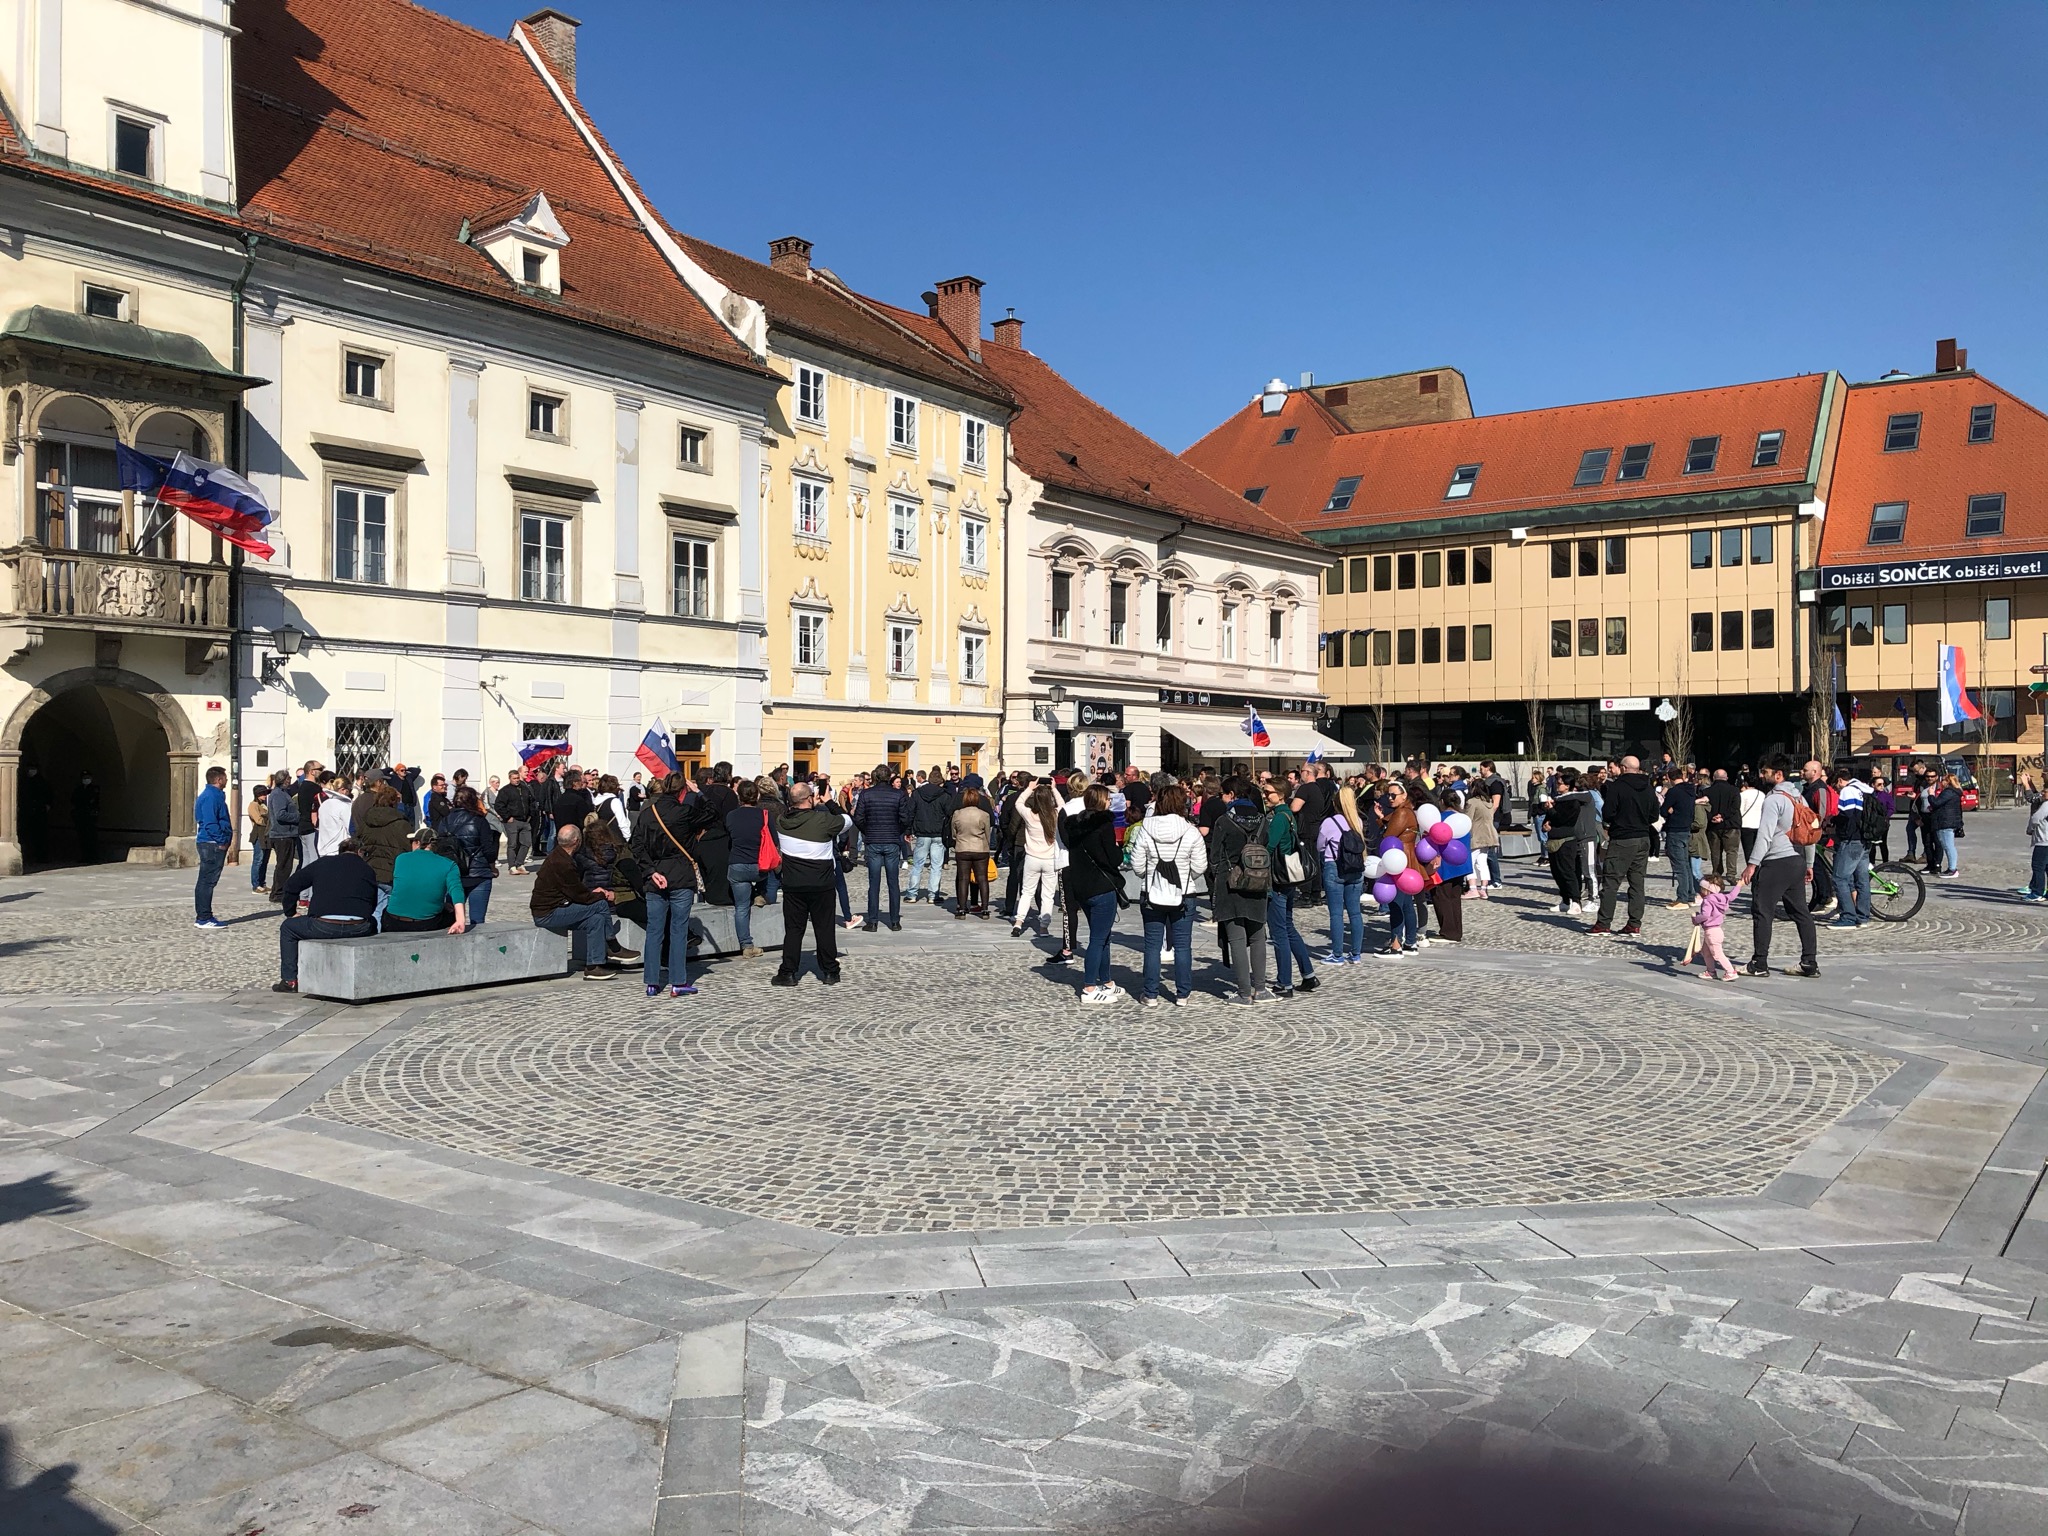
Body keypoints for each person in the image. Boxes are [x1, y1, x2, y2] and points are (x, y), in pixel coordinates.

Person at [1127, 784, 1206, 1007]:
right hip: (1184, 892)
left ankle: (1151, 994)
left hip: (1152, 892)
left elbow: (1137, 863)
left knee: (1152, 945)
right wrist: (1186, 875)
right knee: (1182, 945)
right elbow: (1200, 864)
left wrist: (1148, 875)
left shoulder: (1146, 828)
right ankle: (1182, 994)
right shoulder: (1190, 830)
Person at [1743, 755, 1820, 979]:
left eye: (1765, 772)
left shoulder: (1773, 800)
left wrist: (1752, 864)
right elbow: (1810, 833)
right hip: (1796, 860)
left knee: (1762, 911)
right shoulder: (1799, 798)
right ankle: (1809, 962)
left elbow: (1765, 836)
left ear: (1778, 775)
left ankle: (1759, 963)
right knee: (1801, 912)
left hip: (1775, 862)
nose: (1761, 776)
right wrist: (1808, 863)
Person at [629, 772, 702, 997]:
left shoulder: (647, 813)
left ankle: (652, 982)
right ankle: (677, 982)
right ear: (682, 791)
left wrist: (650, 871)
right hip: (680, 874)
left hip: (655, 876)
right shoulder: (685, 813)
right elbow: (713, 815)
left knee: (654, 930)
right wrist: (699, 793)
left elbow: (635, 845)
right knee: (678, 930)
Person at [273, 837, 378, 993]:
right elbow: (372, 902)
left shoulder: (324, 863)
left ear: (340, 851)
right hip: (358, 926)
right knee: (374, 922)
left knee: (288, 928)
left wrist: (291, 912)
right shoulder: (367, 869)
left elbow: (291, 884)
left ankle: (290, 980)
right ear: (360, 852)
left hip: (323, 924)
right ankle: (370, 974)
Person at [770, 782, 847, 986]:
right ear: (810, 798)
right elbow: (847, 821)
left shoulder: (781, 821)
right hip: (822, 883)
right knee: (824, 928)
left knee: (794, 930)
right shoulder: (823, 820)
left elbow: (792, 812)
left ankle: (788, 972)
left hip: (794, 884)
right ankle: (830, 971)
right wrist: (829, 802)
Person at [531, 824, 627, 980]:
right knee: (601, 904)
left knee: (596, 919)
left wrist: (590, 894)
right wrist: (599, 895)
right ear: (576, 841)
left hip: (557, 907)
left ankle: (593, 966)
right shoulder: (562, 863)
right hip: (548, 913)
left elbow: (576, 892)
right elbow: (579, 895)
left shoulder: (559, 856)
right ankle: (612, 945)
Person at [1208, 776, 1273, 1001]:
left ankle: (1244, 993)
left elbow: (1214, 857)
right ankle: (1261, 989)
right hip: (1259, 881)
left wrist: (1219, 877)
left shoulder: (1224, 821)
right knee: (1257, 937)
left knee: (1236, 939)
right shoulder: (1263, 820)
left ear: (1232, 795)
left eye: (1224, 794)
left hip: (1231, 882)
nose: (1222, 799)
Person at [1063, 783, 1123, 1002]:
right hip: (1101, 887)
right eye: (1107, 799)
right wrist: (1117, 848)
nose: (1110, 802)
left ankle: (1106, 982)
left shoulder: (1074, 826)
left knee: (1103, 936)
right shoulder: (1103, 826)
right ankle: (1089, 987)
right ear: (1100, 801)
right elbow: (1113, 859)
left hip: (1081, 886)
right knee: (1098, 939)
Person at [1260, 780, 1318, 997]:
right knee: (1288, 927)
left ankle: (1285, 983)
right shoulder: (1288, 815)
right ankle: (1308, 975)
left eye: (1268, 793)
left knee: (1279, 933)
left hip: (1277, 879)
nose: (1265, 796)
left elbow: (1268, 847)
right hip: (1289, 877)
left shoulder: (1278, 819)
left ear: (1281, 795)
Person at [1590, 755, 1659, 936]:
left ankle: (1603, 924)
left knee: (1611, 882)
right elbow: (1654, 816)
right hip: (1643, 838)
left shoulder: (1617, 786)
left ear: (1622, 767)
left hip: (1622, 839)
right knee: (1637, 883)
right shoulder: (1648, 787)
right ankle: (1634, 924)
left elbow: (1608, 813)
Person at [852, 765, 909, 931]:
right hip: (891, 839)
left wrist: (867, 831)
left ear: (875, 777)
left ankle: (873, 921)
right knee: (893, 883)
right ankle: (895, 921)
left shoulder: (866, 794)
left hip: (874, 840)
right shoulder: (898, 794)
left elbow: (858, 817)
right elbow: (905, 818)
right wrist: (897, 831)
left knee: (874, 883)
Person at [1317, 784, 1369, 963]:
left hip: (1334, 867)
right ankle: (1356, 954)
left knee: (1336, 913)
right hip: (1355, 868)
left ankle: (1337, 954)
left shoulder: (1329, 823)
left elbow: (1320, 846)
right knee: (1355, 913)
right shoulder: (1357, 821)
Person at [381, 828, 470, 933]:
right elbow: (457, 891)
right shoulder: (449, 865)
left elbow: (409, 887)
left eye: (412, 841)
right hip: (426, 922)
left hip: (394, 920)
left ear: (418, 843)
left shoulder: (401, 859)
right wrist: (460, 920)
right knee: (449, 914)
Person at [725, 779, 773, 956]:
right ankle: (760, 893)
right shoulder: (764, 815)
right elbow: (773, 841)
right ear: (757, 796)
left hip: (737, 864)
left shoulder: (731, 816)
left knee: (741, 907)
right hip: (758, 866)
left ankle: (746, 946)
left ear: (739, 796)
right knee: (768, 871)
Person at [441, 785, 500, 924]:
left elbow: (440, 849)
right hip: (478, 873)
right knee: (477, 920)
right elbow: (489, 850)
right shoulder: (479, 821)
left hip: (453, 873)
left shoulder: (444, 822)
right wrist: (492, 866)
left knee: (450, 918)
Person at [353, 781, 409, 921]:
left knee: (377, 908)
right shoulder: (401, 823)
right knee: (391, 912)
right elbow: (409, 848)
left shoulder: (367, 820)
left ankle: (374, 933)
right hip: (392, 871)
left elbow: (359, 840)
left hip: (371, 869)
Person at [1011, 783, 1062, 938]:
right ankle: (1043, 927)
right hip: (1050, 860)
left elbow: (1018, 802)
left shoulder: (1029, 814)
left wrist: (1029, 788)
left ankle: (1018, 923)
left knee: (1027, 892)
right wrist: (1054, 788)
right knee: (1047, 895)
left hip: (1032, 858)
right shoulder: (1055, 814)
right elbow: (1062, 805)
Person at [1379, 778, 1421, 956]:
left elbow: (1389, 836)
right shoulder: (1406, 811)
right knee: (1406, 905)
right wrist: (1382, 819)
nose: (1390, 798)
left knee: (1397, 904)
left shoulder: (1402, 813)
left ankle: (1396, 945)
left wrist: (1383, 823)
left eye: (1394, 795)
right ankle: (1410, 942)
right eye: (1388, 795)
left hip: (1399, 861)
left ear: (1404, 796)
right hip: (1406, 859)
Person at [1829, 766, 1874, 928]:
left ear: (1840, 781)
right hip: (1865, 838)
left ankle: (1847, 917)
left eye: (1835, 786)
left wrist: (1833, 820)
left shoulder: (1848, 791)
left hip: (1852, 840)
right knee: (1862, 880)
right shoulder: (1865, 789)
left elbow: (1847, 815)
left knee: (1839, 878)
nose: (1836, 790)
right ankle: (1863, 916)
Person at [192, 766, 232, 930]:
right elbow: (209, 822)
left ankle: (204, 915)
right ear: (218, 779)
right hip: (212, 844)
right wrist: (222, 840)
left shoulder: (211, 795)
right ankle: (204, 917)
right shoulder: (211, 797)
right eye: (225, 777)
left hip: (211, 842)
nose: (227, 780)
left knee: (207, 881)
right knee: (207, 881)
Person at [907, 767, 953, 907]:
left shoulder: (917, 794)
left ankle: (912, 894)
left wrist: (908, 830)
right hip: (938, 833)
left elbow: (910, 812)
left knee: (917, 865)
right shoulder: (945, 795)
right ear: (940, 782)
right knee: (936, 866)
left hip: (922, 832)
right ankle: (933, 895)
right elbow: (950, 814)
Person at [950, 786, 993, 919]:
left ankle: (962, 909)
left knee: (963, 879)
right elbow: (988, 834)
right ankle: (985, 909)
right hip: (980, 848)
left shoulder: (957, 814)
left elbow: (953, 833)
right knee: (982, 878)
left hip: (963, 848)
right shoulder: (984, 814)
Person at [1659, 771, 1700, 909]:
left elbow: (1663, 811)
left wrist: (1670, 811)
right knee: (1685, 864)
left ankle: (1682, 898)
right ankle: (1690, 894)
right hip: (1686, 829)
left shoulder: (1674, 792)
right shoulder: (1690, 790)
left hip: (1675, 830)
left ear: (1670, 778)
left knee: (1679, 866)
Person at [264, 773, 301, 899]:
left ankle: (278, 892)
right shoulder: (278, 794)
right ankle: (278, 893)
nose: (290, 780)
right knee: (284, 866)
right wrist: (298, 817)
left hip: (285, 834)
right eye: (289, 778)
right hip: (282, 834)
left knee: (284, 865)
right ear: (284, 780)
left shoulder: (282, 793)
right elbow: (280, 815)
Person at [495, 770, 535, 874]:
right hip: (512, 821)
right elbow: (499, 805)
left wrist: (530, 814)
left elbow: (531, 802)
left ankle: (520, 864)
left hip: (525, 820)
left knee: (526, 842)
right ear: (510, 778)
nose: (517, 780)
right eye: (514, 778)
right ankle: (512, 866)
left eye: (518, 778)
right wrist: (507, 817)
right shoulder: (505, 791)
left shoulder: (525, 789)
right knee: (512, 844)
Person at [1927, 772, 1964, 878]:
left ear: (1947, 781)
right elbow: (1942, 805)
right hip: (1947, 821)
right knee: (1947, 845)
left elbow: (1936, 803)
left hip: (1945, 822)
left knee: (1948, 846)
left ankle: (1952, 869)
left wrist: (1931, 795)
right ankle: (1951, 868)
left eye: (1942, 780)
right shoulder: (1953, 792)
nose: (1940, 782)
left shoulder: (1948, 792)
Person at [2018, 774, 2048, 901]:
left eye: (2045, 791)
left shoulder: (2046, 804)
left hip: (2044, 840)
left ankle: (2037, 892)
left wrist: (2025, 783)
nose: (2042, 793)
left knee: (2038, 866)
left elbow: (2035, 817)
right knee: (2046, 867)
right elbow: (2036, 797)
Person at [314, 775, 352, 862]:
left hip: (323, 847)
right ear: (343, 790)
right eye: (348, 791)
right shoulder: (345, 806)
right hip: (337, 849)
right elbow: (349, 827)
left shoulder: (325, 804)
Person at [246, 778, 273, 891]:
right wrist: (269, 819)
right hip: (258, 835)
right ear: (257, 795)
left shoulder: (264, 805)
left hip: (267, 835)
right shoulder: (253, 805)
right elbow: (258, 820)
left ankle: (262, 882)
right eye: (262, 794)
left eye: (265, 794)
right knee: (258, 859)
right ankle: (256, 884)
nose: (265, 796)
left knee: (265, 860)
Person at [71, 771, 100, 863]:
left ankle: (93, 857)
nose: (86, 779)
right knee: (82, 838)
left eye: (87, 777)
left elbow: (92, 801)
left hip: (90, 816)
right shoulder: (78, 789)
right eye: (84, 778)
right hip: (80, 816)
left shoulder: (94, 789)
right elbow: (74, 800)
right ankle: (85, 856)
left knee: (91, 837)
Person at [1738, 773, 1766, 864]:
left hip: (1746, 825)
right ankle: (1758, 869)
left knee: (1748, 850)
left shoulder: (1743, 795)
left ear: (1745, 783)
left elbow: (1740, 811)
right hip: (1759, 824)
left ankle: (1751, 870)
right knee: (1758, 850)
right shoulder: (1762, 794)